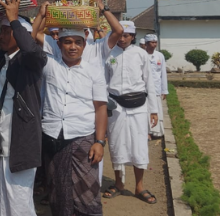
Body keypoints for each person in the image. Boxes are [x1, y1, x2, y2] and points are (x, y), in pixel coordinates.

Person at [0, 0, 46, 216]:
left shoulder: (31, 61)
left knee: (19, 200)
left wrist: (14, 19)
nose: (2, 36)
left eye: (8, 32)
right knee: (0, 197)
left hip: (21, 143)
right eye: (2, 31)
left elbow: (32, 50)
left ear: (19, 34)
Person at [40, 28, 108, 215]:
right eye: (67, 42)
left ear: (84, 45)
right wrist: (42, 15)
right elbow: (31, 40)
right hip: (52, 136)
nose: (73, 47)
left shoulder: (94, 71)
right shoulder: (49, 64)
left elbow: (101, 107)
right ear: (59, 44)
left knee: (87, 192)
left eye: (78, 42)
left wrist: (99, 142)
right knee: (57, 190)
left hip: (83, 138)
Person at [101, 21, 159, 205]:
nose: (123, 38)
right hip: (116, 107)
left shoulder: (141, 54)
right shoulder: (109, 53)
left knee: (139, 146)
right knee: (117, 145)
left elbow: (149, 83)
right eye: (120, 35)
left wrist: (154, 110)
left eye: (127, 35)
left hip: (138, 106)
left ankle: (139, 186)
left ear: (133, 37)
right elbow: (103, 82)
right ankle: (118, 183)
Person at [144, 34, 168, 138]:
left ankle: (156, 131)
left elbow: (163, 73)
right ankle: (147, 132)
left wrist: (164, 90)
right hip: (144, 90)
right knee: (146, 110)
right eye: (152, 42)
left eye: (155, 42)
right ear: (146, 44)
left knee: (156, 109)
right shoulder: (142, 55)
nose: (154, 45)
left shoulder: (160, 56)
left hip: (157, 88)